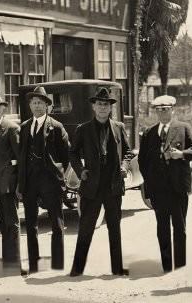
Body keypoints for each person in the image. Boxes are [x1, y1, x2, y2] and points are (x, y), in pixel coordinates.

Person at [69, 87, 133, 277]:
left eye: (106, 104)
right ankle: (77, 268)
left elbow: (128, 152)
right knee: (86, 227)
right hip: (91, 186)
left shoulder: (119, 127)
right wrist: (81, 171)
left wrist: (124, 165)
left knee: (114, 228)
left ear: (110, 108)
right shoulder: (83, 129)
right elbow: (72, 153)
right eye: (99, 104)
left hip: (113, 185)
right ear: (93, 107)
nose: (103, 108)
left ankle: (117, 267)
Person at [139, 95, 192, 273]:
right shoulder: (149, 133)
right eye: (159, 109)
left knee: (179, 226)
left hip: (178, 188)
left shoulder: (184, 128)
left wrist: (181, 154)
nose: (162, 112)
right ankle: (166, 262)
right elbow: (143, 163)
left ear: (173, 110)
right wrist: (147, 191)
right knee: (162, 226)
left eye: (166, 109)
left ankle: (179, 261)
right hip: (158, 190)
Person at [17, 86, 71, 273]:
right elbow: (22, 155)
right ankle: (33, 263)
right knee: (31, 224)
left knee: (56, 223)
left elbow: (66, 156)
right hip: (30, 182)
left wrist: (57, 175)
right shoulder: (24, 127)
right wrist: (21, 183)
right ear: (30, 106)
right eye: (34, 102)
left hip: (50, 182)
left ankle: (57, 262)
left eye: (41, 102)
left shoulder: (56, 127)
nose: (37, 106)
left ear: (47, 106)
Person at [0, 94, 24, 274]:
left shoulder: (12, 128)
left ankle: (15, 264)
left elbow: (21, 160)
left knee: (12, 222)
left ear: (3, 109)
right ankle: (7, 262)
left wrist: (19, 186)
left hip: (9, 184)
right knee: (3, 222)